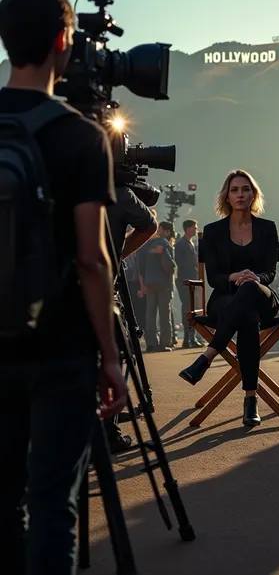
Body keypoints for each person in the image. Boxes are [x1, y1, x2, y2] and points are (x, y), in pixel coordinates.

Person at [0, 0, 127, 574]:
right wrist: (109, 355)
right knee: (53, 503)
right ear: (63, 43)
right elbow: (92, 259)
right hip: (60, 346)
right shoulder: (81, 136)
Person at [179, 169, 279, 426]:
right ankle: (251, 399)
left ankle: (206, 358)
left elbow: (270, 271)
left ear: (253, 194)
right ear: (226, 196)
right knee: (247, 317)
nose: (240, 195)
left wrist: (253, 278)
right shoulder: (212, 231)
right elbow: (213, 278)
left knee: (249, 291)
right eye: (234, 190)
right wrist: (236, 276)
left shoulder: (267, 228)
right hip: (225, 298)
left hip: (262, 295)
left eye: (246, 189)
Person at [104, 185, 157, 452]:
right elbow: (149, 224)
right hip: (99, 290)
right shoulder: (116, 191)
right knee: (118, 353)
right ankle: (107, 430)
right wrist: (115, 257)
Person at [138, 215, 176, 352]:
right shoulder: (165, 243)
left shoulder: (145, 244)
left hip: (149, 282)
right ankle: (165, 343)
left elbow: (140, 266)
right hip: (163, 282)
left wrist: (143, 285)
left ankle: (151, 343)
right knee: (165, 314)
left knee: (150, 314)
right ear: (166, 232)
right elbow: (171, 265)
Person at [175, 218, 205, 348]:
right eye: (194, 227)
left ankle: (191, 337)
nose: (196, 229)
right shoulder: (181, 244)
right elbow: (180, 262)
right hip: (185, 280)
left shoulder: (190, 243)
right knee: (187, 308)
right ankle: (187, 338)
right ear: (188, 229)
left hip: (192, 279)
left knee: (193, 308)